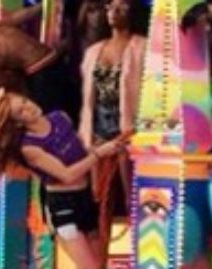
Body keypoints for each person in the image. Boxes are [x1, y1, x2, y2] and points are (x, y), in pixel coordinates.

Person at [0, 90, 127, 269]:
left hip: (85, 198)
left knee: (96, 268)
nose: (28, 108)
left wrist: (104, 149)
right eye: (20, 112)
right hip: (64, 209)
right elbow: (67, 175)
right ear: (18, 123)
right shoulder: (29, 147)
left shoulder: (60, 119)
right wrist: (100, 154)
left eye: (25, 101)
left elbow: (80, 154)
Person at [79, 0, 148, 241]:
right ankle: (100, 246)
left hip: (128, 126)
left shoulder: (141, 46)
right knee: (99, 195)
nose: (113, 13)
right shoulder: (93, 51)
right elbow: (88, 96)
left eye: (121, 8)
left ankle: (139, 239)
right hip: (98, 126)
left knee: (133, 190)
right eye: (110, 8)